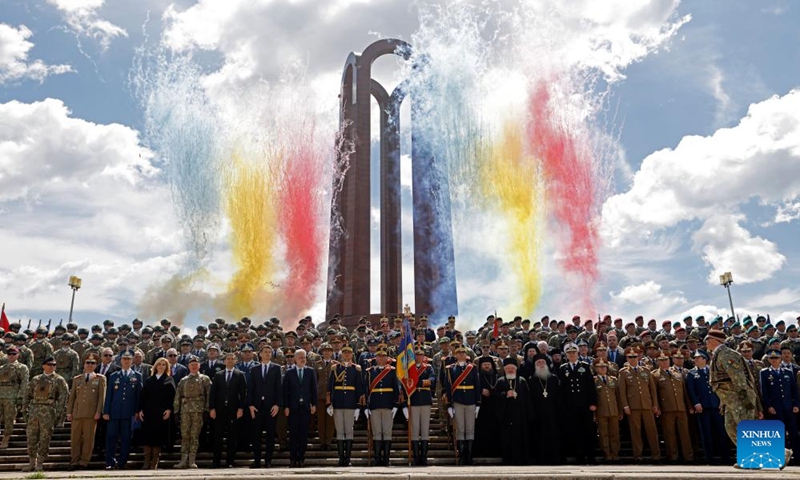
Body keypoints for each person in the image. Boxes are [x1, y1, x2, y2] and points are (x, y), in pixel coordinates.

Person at [704, 329, 781, 468]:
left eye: (707, 339)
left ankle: (771, 456)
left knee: (746, 429)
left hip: (739, 398)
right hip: (730, 400)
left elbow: (738, 379)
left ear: (715, 340)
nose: (705, 342)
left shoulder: (726, 353)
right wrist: (724, 401)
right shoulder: (718, 354)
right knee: (731, 427)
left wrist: (745, 402)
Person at [21, 356, 68, 472]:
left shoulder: (59, 380)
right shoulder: (35, 379)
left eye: (54, 365)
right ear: (43, 366)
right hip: (34, 412)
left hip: (48, 412)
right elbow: (27, 395)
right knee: (31, 438)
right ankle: (32, 462)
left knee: (44, 438)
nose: (52, 367)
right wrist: (25, 410)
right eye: (49, 364)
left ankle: (40, 463)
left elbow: (63, 398)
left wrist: (59, 415)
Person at [686, 349, 730, 465]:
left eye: (698, 358)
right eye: (695, 358)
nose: (695, 360)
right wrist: (696, 403)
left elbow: (720, 388)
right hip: (703, 407)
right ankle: (709, 457)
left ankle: (725, 456)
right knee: (706, 432)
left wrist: (722, 401)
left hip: (716, 405)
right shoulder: (691, 374)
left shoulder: (713, 372)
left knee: (720, 431)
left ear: (705, 359)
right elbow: (691, 390)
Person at [618, 346, 661, 462]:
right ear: (626, 358)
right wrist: (625, 406)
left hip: (647, 404)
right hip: (633, 406)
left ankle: (656, 454)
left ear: (638, 357)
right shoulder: (623, 373)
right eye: (630, 357)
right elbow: (622, 391)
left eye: (635, 356)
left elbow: (652, 389)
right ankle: (638, 455)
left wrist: (655, 404)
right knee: (636, 432)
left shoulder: (646, 371)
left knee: (652, 431)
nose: (632, 359)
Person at [558, 343, 597, 464]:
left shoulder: (584, 366)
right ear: (566, 355)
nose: (572, 355)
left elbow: (591, 386)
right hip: (571, 406)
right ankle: (579, 457)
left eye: (574, 352)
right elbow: (562, 389)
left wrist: (593, 403)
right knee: (576, 432)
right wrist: (563, 406)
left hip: (585, 405)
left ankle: (591, 457)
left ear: (577, 353)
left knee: (589, 431)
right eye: (569, 353)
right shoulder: (563, 368)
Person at [103, 350, 143, 470]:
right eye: (124, 359)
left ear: (132, 361)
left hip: (128, 413)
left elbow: (138, 396)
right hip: (114, 412)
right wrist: (106, 411)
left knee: (126, 438)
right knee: (111, 437)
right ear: (120, 361)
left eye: (128, 359)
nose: (126, 361)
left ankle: (122, 462)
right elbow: (109, 395)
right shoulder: (114, 376)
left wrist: (137, 411)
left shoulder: (137, 376)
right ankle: (110, 462)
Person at [652, 350, 693, 463]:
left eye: (666, 360)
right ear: (657, 362)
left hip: (681, 407)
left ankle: (688, 456)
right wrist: (657, 406)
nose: (664, 362)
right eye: (661, 360)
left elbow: (684, 391)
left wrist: (689, 405)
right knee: (669, 434)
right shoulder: (655, 375)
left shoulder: (677, 373)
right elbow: (654, 393)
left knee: (685, 433)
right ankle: (673, 456)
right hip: (667, 408)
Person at [66, 353, 106, 470]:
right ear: (83, 364)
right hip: (77, 413)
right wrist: (69, 411)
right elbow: (72, 397)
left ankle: (84, 462)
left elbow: (101, 397)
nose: (89, 365)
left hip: (91, 413)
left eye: (92, 363)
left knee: (88, 439)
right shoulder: (77, 379)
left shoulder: (100, 378)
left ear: (96, 365)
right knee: (75, 439)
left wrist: (99, 411)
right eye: (87, 362)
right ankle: (74, 461)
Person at [760, 349, 800, 464]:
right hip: (775, 408)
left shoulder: (788, 372)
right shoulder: (765, 373)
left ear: (780, 359)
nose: (774, 360)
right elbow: (764, 392)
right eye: (771, 358)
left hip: (789, 407)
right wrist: (768, 406)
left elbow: (794, 391)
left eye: (776, 358)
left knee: (794, 433)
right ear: (768, 359)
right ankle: (781, 458)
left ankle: (797, 457)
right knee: (779, 434)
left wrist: (796, 404)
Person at [443, 346, 480, 465]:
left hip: (470, 400)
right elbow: (448, 387)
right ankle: (462, 456)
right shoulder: (450, 369)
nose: (462, 354)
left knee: (470, 428)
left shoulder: (472, 368)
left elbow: (477, 385)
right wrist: (449, 405)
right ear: (455, 355)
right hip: (458, 400)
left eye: (463, 352)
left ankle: (469, 456)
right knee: (460, 429)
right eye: (459, 353)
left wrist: (478, 403)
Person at [247, 345, 283, 468]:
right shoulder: (254, 369)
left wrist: (277, 404)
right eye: (265, 352)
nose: (268, 354)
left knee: (270, 435)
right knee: (256, 435)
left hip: (271, 407)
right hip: (257, 407)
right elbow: (250, 388)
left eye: (270, 352)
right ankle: (256, 460)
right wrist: (250, 405)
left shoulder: (277, 368)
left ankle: (268, 460)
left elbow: (279, 388)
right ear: (260, 354)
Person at [209, 352, 246, 468]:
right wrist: (212, 408)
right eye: (228, 359)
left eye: (232, 359)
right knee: (218, 436)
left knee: (232, 436)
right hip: (219, 410)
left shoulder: (240, 375)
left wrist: (241, 408)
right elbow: (213, 393)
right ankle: (216, 461)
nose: (230, 360)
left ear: (235, 361)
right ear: (224, 361)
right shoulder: (218, 375)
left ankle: (230, 460)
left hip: (233, 409)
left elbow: (243, 393)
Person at [327, 345, 363, 466]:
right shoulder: (335, 368)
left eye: (349, 353)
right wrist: (329, 404)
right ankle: (340, 458)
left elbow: (359, 388)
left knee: (349, 430)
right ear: (341, 354)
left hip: (350, 403)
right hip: (337, 403)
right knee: (340, 431)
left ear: (352, 355)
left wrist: (358, 406)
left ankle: (347, 458)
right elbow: (330, 388)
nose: (347, 355)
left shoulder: (356, 369)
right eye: (345, 353)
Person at [173, 356, 210, 469]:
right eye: (192, 364)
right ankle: (183, 460)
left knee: (194, 436)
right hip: (185, 411)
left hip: (198, 411)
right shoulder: (183, 380)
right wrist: (176, 411)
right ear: (188, 366)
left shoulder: (205, 379)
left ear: (199, 366)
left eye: (196, 364)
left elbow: (209, 395)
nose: (194, 366)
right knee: (185, 436)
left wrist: (207, 410)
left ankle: (192, 460)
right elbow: (178, 396)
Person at [364, 348, 399, 466]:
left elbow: (396, 389)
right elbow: (366, 390)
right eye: (379, 356)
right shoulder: (370, 371)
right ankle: (377, 458)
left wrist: (395, 404)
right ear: (376, 358)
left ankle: (386, 459)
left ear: (387, 358)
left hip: (388, 404)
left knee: (387, 432)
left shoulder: (392, 371)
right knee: (377, 432)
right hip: (374, 405)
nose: (381, 358)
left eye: (383, 356)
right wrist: (366, 406)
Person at [138, 357, 176, 469]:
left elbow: (172, 397)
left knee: (158, 437)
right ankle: (146, 461)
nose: (161, 366)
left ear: (166, 367)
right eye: (159, 364)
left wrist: (169, 409)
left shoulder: (169, 380)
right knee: (147, 436)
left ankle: (154, 461)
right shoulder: (149, 380)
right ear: (155, 366)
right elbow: (142, 396)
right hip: (148, 413)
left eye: (164, 365)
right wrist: (140, 410)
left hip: (161, 413)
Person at [494, 357, 532, 465]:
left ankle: (523, 460)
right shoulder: (500, 381)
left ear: (516, 369)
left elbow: (528, 398)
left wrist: (529, 415)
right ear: (504, 370)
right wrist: (505, 395)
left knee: (522, 438)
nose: (510, 370)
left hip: (521, 416)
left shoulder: (522, 380)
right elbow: (495, 398)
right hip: (506, 415)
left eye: (512, 368)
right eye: (508, 369)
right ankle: (508, 459)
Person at [283, 349, 317, 467]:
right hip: (293, 408)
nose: (303, 359)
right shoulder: (289, 372)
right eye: (301, 357)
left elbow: (314, 389)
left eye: (304, 357)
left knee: (303, 434)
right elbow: (286, 391)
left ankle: (301, 458)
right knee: (293, 434)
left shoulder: (310, 371)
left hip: (305, 408)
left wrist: (314, 404)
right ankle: (293, 459)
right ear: (295, 359)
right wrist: (286, 406)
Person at [528, 353, 564, 464]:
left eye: (542, 362)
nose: (541, 364)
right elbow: (530, 399)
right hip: (538, 414)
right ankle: (540, 459)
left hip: (553, 413)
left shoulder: (553, 378)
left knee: (554, 436)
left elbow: (559, 396)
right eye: (538, 363)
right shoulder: (532, 379)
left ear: (546, 364)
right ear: (535, 365)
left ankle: (556, 459)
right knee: (539, 437)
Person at [408, 348, 435, 466]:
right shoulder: (410, 368)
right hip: (413, 400)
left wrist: (418, 383)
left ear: (424, 356)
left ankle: (424, 457)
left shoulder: (428, 367)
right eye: (417, 355)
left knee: (424, 429)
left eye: (421, 355)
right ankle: (416, 457)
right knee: (414, 430)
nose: (419, 357)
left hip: (425, 400)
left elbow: (432, 380)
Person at [593, 358, 621, 462]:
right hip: (601, 411)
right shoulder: (594, 381)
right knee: (603, 433)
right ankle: (607, 454)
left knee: (615, 433)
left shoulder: (613, 379)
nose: (603, 369)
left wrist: (620, 411)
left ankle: (615, 453)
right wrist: (594, 414)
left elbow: (618, 396)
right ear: (596, 369)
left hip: (613, 410)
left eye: (604, 366)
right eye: (600, 367)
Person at [0, 346, 28, 449]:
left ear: (18, 355)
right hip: (1, 395)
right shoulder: (2, 368)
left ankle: (5, 438)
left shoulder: (22, 367)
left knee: (9, 419)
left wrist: (21, 397)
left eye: (14, 354)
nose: (11, 356)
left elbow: (24, 383)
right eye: (9, 354)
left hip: (12, 396)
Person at [473, 355, 500, 458]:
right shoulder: (478, 377)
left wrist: (492, 391)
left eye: (488, 365)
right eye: (485, 365)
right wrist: (481, 391)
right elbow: (474, 388)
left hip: (494, 407)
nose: (487, 366)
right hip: (482, 408)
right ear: (481, 366)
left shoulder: (496, 376)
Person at [313, 343, 336, 451]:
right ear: (322, 352)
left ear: (332, 352)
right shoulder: (317, 364)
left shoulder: (336, 364)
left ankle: (328, 441)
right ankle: (322, 442)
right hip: (320, 395)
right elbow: (314, 381)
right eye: (325, 350)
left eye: (329, 350)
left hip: (332, 396)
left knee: (330, 421)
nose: (327, 352)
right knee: (321, 420)